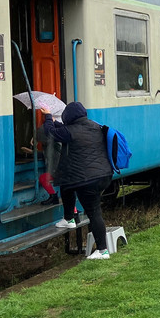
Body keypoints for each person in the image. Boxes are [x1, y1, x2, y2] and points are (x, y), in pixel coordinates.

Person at [43, 101, 114, 259]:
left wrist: (47, 116)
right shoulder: (94, 126)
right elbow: (67, 130)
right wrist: (56, 123)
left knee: (94, 212)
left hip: (88, 179)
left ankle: (103, 251)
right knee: (66, 184)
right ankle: (69, 218)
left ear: (69, 116)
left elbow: (50, 132)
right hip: (103, 175)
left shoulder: (71, 131)